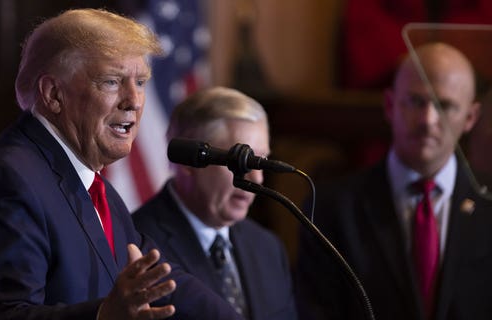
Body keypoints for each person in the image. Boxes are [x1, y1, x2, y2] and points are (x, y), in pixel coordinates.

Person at [0, 9, 244, 320]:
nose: (133, 100)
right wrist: (103, 316)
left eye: (141, 82)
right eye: (111, 81)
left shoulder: (93, 188)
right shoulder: (5, 182)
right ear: (52, 94)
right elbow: (0, 314)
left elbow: (160, 279)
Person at [294, 42, 492, 320]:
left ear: (470, 117)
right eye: (416, 101)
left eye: (445, 105)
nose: (428, 119)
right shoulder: (330, 210)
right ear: (389, 105)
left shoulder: (488, 206)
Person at [132, 86, 298, 320]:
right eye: (241, 162)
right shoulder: (137, 244)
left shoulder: (268, 249)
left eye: (261, 161)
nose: (257, 178)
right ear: (189, 161)